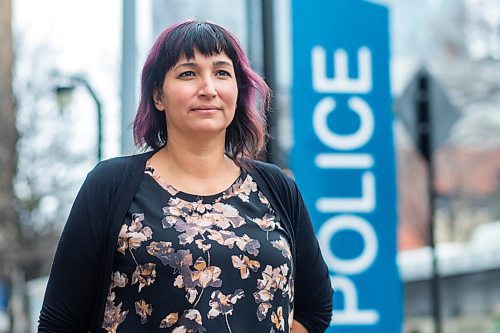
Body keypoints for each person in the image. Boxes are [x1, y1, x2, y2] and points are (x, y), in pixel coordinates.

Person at [38, 20, 333, 333]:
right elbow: (60, 323)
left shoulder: (276, 187)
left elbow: (314, 310)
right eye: (188, 73)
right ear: (158, 96)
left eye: (221, 72)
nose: (208, 89)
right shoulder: (111, 184)